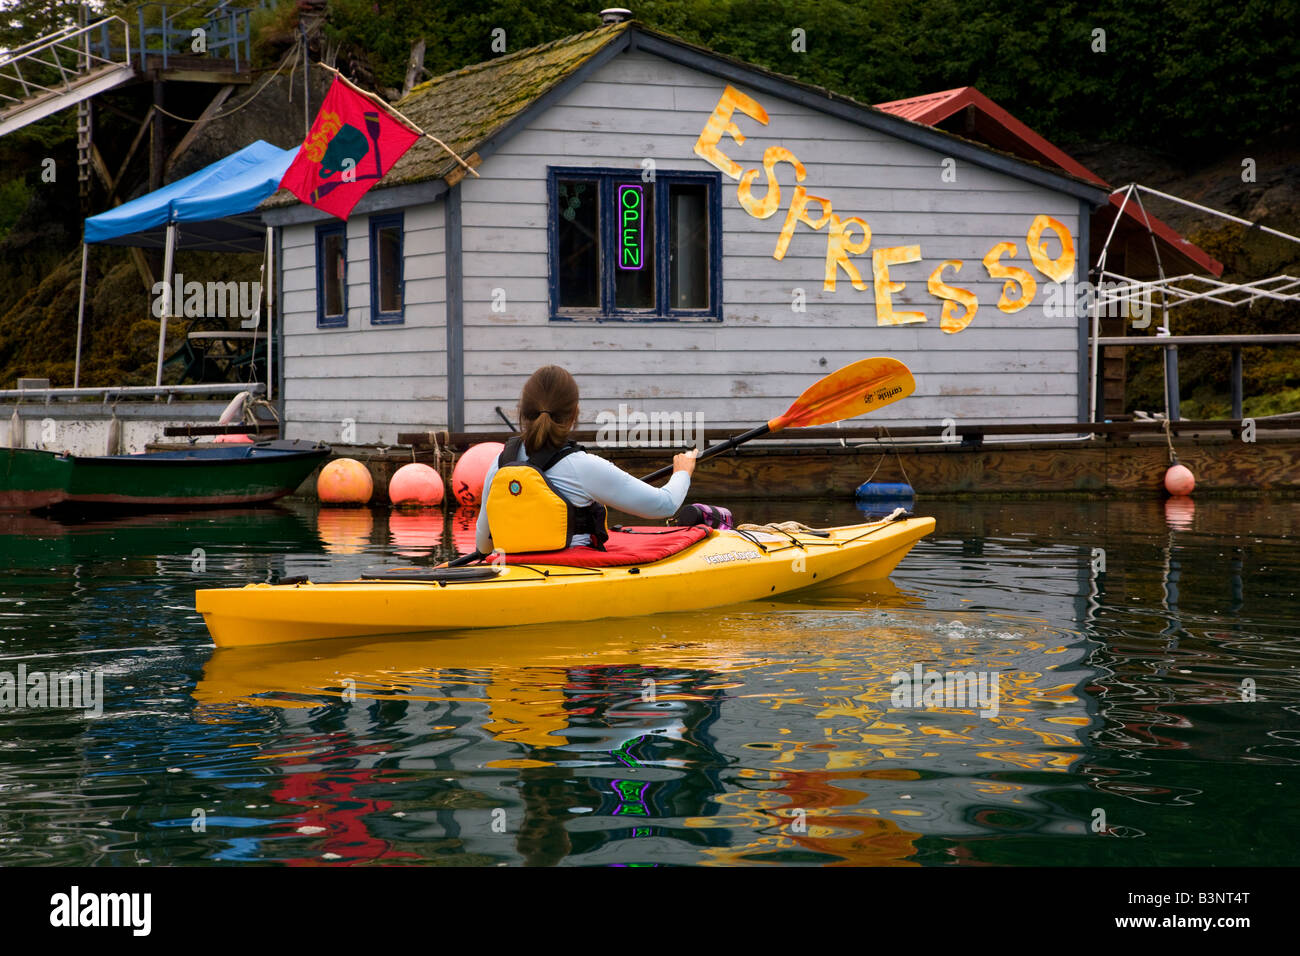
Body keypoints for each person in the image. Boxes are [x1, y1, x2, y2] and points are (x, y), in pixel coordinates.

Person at [475, 365, 697, 555]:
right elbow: (664, 505)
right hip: (573, 574)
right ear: (574, 414)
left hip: (516, 572)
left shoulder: (501, 462)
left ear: (522, 412)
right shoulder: (584, 467)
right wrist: (682, 472)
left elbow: (484, 545)